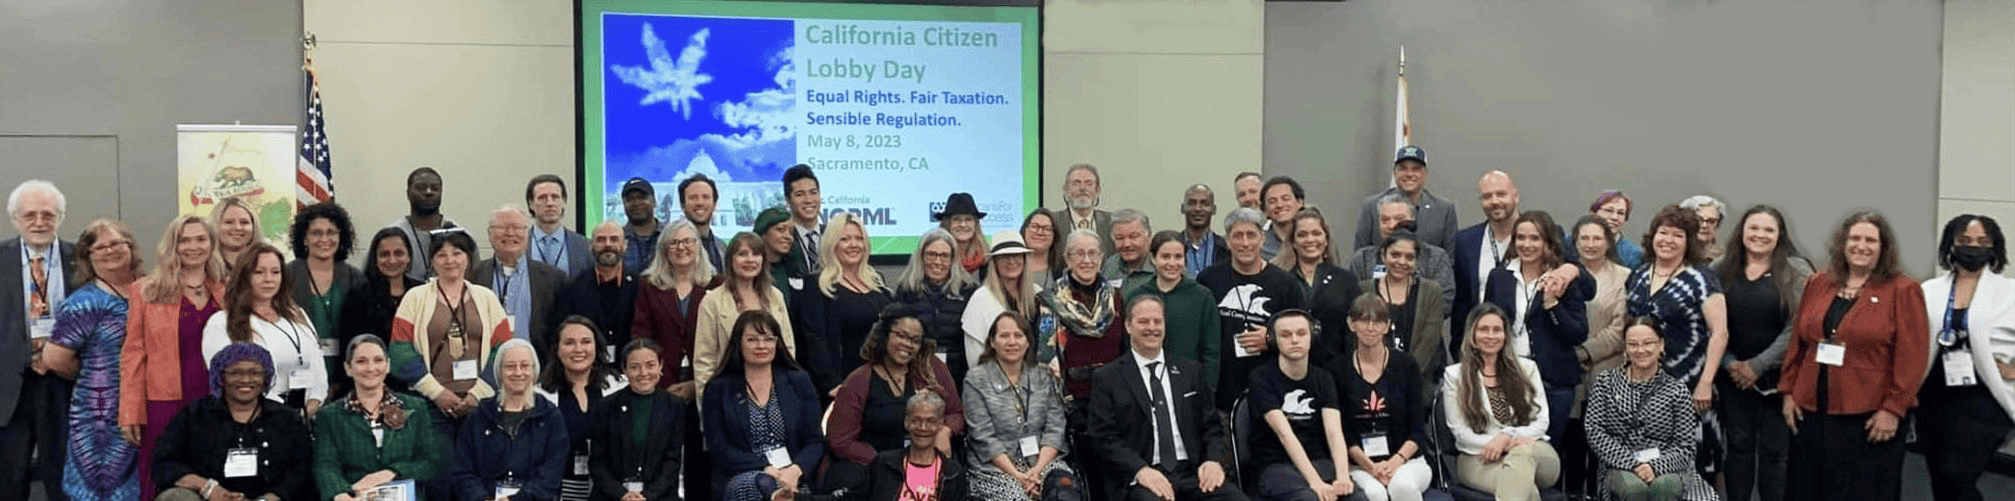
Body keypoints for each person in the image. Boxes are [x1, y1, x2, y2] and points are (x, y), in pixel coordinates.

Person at [1778, 211, 1928, 501]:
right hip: (1810, 410)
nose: (1861, 246)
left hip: (1869, 416)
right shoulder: (1819, 282)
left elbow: (1913, 357)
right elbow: (1799, 341)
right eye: (1854, 238)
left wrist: (1893, 409)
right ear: (1842, 243)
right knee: (1806, 487)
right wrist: (1788, 392)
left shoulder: (1903, 289)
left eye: (1870, 240)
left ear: (1883, 247)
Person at [388, 228, 513, 498]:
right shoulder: (415, 298)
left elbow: (504, 350)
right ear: (432, 261)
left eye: (457, 253)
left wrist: (477, 394)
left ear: (468, 258)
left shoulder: (487, 298)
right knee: (440, 480)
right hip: (433, 408)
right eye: (441, 255)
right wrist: (438, 393)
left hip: (480, 406)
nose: (450, 260)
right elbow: (399, 352)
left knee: (478, 480)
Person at [1086, 294, 1248, 501]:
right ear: (1128, 326)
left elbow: (1211, 427)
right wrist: (1140, 470)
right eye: (1143, 321)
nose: (1152, 328)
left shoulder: (1190, 371)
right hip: (1141, 477)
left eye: (1157, 321)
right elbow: (1103, 438)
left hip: (1193, 474)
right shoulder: (1108, 377)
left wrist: (1213, 461)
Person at [119, 214, 227, 500]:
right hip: (164, 403)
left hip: (216, 401)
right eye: (184, 240)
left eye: (201, 239)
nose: (193, 246)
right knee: (163, 479)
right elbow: (133, 354)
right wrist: (130, 410)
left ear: (212, 244)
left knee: (215, 475)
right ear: (173, 245)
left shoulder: (227, 290)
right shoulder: (145, 291)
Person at [1709, 205, 1809, 501]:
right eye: (1753, 228)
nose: (1760, 235)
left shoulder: (1796, 270)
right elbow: (1711, 322)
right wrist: (1730, 364)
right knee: (1737, 448)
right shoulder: (1721, 268)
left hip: (1780, 380)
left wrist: (1758, 365)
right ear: (1742, 231)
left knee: (1775, 453)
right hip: (1733, 378)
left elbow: (1799, 325)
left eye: (1768, 229)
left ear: (1780, 235)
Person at [1917, 214, 2015, 501]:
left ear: (1994, 247)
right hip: (1934, 396)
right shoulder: (1929, 290)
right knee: (1940, 479)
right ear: (1951, 245)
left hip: (1984, 399)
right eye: (1964, 241)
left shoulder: (2010, 292)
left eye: (1982, 242)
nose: (1973, 247)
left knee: (1956, 474)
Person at [44, 219, 142, 501]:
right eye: (100, 247)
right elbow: (54, 358)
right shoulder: (85, 302)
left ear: (130, 247)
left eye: (116, 243)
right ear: (88, 257)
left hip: (144, 406)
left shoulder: (148, 290)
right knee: (103, 488)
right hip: (100, 418)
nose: (109, 251)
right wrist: (96, 373)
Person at [825, 304, 967, 495]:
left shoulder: (932, 369)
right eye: (901, 335)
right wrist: (885, 463)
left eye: (915, 340)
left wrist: (944, 431)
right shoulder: (859, 380)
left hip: (925, 462)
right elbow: (840, 441)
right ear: (884, 335)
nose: (908, 344)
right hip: (872, 466)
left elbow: (956, 413)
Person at [152, 343, 313, 501]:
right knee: (175, 497)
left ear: (266, 377)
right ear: (221, 376)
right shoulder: (194, 415)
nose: (245, 379)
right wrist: (207, 488)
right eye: (235, 372)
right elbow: (164, 463)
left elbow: (302, 469)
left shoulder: (287, 418)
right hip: (208, 498)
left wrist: (269, 498)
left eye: (255, 372)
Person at [1481, 211, 1592, 441]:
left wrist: (1552, 305)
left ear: (1548, 242)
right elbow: (1487, 325)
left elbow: (1578, 333)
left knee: (1547, 456)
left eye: (1535, 238)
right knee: (1510, 448)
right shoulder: (1499, 277)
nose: (1526, 244)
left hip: (1553, 382)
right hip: (1508, 379)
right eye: (1521, 238)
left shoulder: (1562, 279)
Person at [1449, 171, 1581, 357]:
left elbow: (1587, 286)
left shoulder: (1550, 233)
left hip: (1542, 355)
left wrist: (1570, 269)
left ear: (1516, 196)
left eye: (1501, 194)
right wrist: (1459, 351)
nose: (1494, 201)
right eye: (1487, 196)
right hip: (1484, 352)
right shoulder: (1465, 241)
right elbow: (1461, 303)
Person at [1, 180, 76, 499]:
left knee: (63, 477)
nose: (40, 222)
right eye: (30, 215)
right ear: (15, 218)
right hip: (9, 386)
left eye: (48, 214)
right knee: (9, 480)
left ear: (60, 217)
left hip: (66, 381)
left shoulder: (83, 259)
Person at [1586, 318, 1715, 501]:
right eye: (1633, 344)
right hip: (1618, 464)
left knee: (1664, 488)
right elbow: (1594, 431)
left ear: (1661, 345)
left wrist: (1655, 467)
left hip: (1667, 465)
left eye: (1648, 343)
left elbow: (1685, 446)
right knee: (1634, 490)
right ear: (1626, 348)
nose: (1640, 350)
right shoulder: (1605, 383)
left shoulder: (1676, 390)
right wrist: (1632, 464)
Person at [1441, 304, 1558, 501]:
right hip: (1477, 457)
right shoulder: (1455, 375)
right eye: (1483, 329)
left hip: (1533, 452)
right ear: (1472, 334)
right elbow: (1460, 432)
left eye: (1497, 330)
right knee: (1525, 490)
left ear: (1505, 335)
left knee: (1520, 456)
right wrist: (1497, 444)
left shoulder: (1527, 368)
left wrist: (1506, 438)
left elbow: (1541, 422)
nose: (1491, 336)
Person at [706, 311, 824, 500]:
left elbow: (815, 441)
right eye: (752, 340)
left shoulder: (798, 381)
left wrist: (795, 470)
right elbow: (720, 447)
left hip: (793, 476)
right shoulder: (719, 389)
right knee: (756, 485)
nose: (761, 346)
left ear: (777, 343)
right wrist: (765, 468)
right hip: (742, 474)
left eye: (768, 339)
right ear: (739, 343)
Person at [962, 312, 1080, 500]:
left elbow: (1055, 428)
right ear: (992, 342)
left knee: (1065, 492)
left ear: (1028, 342)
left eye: (1018, 335)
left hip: (1043, 462)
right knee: (1017, 497)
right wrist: (1019, 477)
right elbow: (983, 437)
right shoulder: (976, 380)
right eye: (1004, 336)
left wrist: (1037, 471)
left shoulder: (1043, 376)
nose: (1012, 342)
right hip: (996, 468)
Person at [201, 243, 329, 414]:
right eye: (259, 272)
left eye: (275, 272)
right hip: (256, 417)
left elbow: (318, 366)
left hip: (305, 415)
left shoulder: (297, 314)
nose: (269, 279)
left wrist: (312, 404)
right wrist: (281, 413)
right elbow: (229, 380)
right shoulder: (221, 323)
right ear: (245, 276)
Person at [1247, 310, 1361, 501]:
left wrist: (1342, 476)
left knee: (1357, 498)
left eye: (1301, 333)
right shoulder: (1261, 377)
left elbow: (1334, 432)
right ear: (1273, 340)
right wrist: (1314, 482)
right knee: (1310, 499)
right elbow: (1285, 435)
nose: (1294, 340)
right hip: (1275, 465)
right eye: (1285, 335)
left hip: (1319, 461)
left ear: (1312, 337)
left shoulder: (1323, 378)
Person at [1199, 207, 1306, 411]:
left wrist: (1272, 339)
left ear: (1262, 239)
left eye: (1251, 235)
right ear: (1228, 242)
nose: (1245, 243)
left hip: (1273, 392)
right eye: (1238, 236)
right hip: (1222, 392)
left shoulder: (1285, 284)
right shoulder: (1208, 280)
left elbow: (1304, 334)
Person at [314, 335, 442, 501]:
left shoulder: (415, 408)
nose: (370, 368)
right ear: (348, 368)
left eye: (378, 360)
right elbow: (326, 466)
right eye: (361, 361)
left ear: (388, 366)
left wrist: (390, 473)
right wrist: (340, 494)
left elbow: (430, 462)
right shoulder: (330, 416)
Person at [1330, 295, 1432, 501]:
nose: (1370, 327)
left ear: (1387, 327)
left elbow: (1417, 429)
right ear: (1351, 324)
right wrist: (1372, 467)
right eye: (1363, 320)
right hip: (1358, 464)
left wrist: (1394, 463)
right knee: (1374, 494)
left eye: (1377, 321)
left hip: (1407, 460)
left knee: (1402, 487)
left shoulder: (1406, 365)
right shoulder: (1337, 369)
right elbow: (1343, 432)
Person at [446, 338, 568, 501]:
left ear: (534, 371)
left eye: (525, 366)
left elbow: (551, 474)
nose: (518, 372)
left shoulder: (551, 417)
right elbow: (462, 471)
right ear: (499, 372)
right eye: (510, 366)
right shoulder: (477, 418)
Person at [792, 212, 892, 394]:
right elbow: (815, 341)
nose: (854, 244)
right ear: (832, 244)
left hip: (881, 385)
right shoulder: (817, 286)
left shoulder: (878, 283)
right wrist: (831, 384)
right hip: (841, 387)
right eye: (845, 239)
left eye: (859, 238)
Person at [693, 232, 795, 404]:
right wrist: (707, 406)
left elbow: (788, 347)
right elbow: (704, 361)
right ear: (730, 260)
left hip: (774, 391)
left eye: (756, 254)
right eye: (742, 254)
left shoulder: (775, 296)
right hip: (728, 394)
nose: (750, 260)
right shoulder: (712, 301)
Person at [535, 317, 627, 501]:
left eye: (586, 342)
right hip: (558, 491)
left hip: (609, 492)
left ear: (596, 346)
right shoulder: (539, 395)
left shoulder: (620, 386)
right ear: (557, 349)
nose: (578, 349)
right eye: (569, 342)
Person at [587, 339, 685, 501]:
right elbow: (597, 462)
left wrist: (646, 496)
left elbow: (672, 461)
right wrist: (622, 495)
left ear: (660, 366)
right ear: (624, 370)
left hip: (659, 496)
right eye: (635, 367)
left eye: (650, 365)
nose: (643, 372)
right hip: (612, 496)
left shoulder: (675, 406)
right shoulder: (605, 407)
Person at [470, 206, 568, 364]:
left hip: (539, 371)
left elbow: (562, 331)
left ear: (527, 234)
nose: (510, 233)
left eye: (517, 228)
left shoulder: (554, 279)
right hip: (486, 369)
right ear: (489, 235)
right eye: (502, 228)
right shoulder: (473, 276)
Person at [629, 218, 716, 394]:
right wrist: (659, 380)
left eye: (687, 241)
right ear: (664, 251)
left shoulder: (716, 285)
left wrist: (698, 384)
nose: (681, 247)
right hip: (660, 383)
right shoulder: (648, 286)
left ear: (698, 246)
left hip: (707, 383)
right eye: (674, 242)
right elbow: (641, 335)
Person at [1126, 231, 1223, 388]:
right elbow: (1127, 344)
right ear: (1153, 258)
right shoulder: (1137, 295)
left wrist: (1207, 391)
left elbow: (1211, 351)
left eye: (1178, 257)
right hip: (1144, 383)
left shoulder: (1201, 296)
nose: (1172, 263)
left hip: (1188, 385)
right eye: (1165, 256)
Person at [1039, 230, 1127, 400]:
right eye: (1079, 254)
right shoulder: (1049, 301)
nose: (1087, 260)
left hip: (1113, 398)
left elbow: (1125, 351)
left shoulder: (1116, 299)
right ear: (1067, 258)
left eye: (1092, 253)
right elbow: (1045, 358)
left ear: (1101, 258)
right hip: (1069, 401)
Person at [1274, 207, 1363, 370]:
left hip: (1337, 371)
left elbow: (1355, 331)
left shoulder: (1346, 280)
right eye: (1302, 234)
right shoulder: (1280, 280)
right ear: (1293, 242)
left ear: (1326, 239)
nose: (1310, 239)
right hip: (1289, 370)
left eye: (1316, 233)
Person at [289, 202, 363, 395]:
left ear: (341, 237)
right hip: (299, 377)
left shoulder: (355, 277)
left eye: (331, 232)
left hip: (346, 380)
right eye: (316, 233)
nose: (324, 239)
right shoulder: (287, 276)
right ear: (304, 239)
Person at [1359, 231, 1447, 388]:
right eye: (1395, 255)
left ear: (1416, 261)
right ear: (1383, 255)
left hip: (1418, 384)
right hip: (1372, 382)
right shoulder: (1364, 289)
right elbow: (1360, 335)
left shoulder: (1431, 291)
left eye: (1409, 257)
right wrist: (1379, 375)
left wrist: (1405, 377)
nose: (1402, 262)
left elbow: (1429, 340)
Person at [894, 229, 978, 382]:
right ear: (921, 257)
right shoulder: (906, 289)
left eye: (944, 256)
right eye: (932, 255)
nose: (938, 262)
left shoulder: (968, 290)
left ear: (953, 259)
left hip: (958, 374)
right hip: (914, 372)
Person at [1347, 194, 1456, 309]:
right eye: (1385, 220)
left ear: (1413, 221)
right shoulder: (1362, 259)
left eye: (1399, 219)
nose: (1391, 225)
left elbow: (1444, 302)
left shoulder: (1436, 258)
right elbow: (1354, 301)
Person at [867, 393, 970, 501]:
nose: (922, 427)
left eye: (930, 421)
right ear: (906, 422)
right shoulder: (883, 464)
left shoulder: (953, 473)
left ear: (940, 424)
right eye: (916, 420)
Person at [960, 231, 1038, 371]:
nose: (1012, 261)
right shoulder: (981, 300)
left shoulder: (1038, 295)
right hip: (994, 385)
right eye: (1004, 257)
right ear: (994, 262)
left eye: (1017, 255)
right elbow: (975, 358)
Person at [1355, 145, 1458, 250]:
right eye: (1403, 168)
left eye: (1416, 169)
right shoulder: (1371, 206)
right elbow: (1360, 255)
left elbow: (1450, 257)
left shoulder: (1444, 210)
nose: (1409, 174)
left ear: (1425, 174)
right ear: (1394, 173)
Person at [564, 221, 641, 359]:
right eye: (601, 240)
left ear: (625, 246)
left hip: (630, 367)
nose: (608, 245)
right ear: (591, 246)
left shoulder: (640, 286)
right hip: (588, 368)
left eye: (614, 239)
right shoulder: (573, 288)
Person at [339, 228, 425, 349]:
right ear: (375, 259)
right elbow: (350, 345)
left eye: (398, 253)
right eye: (384, 254)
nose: (392, 260)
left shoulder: (422, 292)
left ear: (409, 257)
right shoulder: (358, 296)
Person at [1570, 216, 1630, 387]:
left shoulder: (1623, 277)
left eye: (1597, 239)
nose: (1590, 244)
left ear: (1609, 243)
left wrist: (1584, 353)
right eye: (1584, 238)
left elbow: (1620, 329)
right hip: (1565, 373)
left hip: (1607, 374)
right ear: (1575, 241)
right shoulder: (1560, 273)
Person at [385, 167, 459, 281]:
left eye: (435, 188)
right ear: (408, 193)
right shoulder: (390, 237)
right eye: (421, 188)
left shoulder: (459, 235)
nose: (429, 192)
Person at [527, 174, 594, 277]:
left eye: (555, 197)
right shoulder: (519, 245)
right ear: (531, 204)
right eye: (542, 198)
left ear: (564, 201)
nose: (550, 203)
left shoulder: (585, 246)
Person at [1055, 164, 1115, 255]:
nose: (1083, 188)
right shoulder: (1053, 222)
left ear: (1098, 190)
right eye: (1076, 183)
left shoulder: (1112, 222)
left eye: (1089, 184)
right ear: (1065, 189)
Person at [678, 174, 729, 273]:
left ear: (714, 204)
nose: (700, 203)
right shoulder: (669, 247)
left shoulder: (722, 248)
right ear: (682, 205)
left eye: (705, 197)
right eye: (693, 198)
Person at [1179, 184, 1231, 278]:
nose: (1198, 209)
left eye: (1205, 204)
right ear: (1182, 208)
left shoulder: (1225, 248)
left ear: (1214, 209)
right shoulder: (1172, 245)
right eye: (1192, 203)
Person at [783, 164, 824, 278]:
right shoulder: (784, 239)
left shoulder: (833, 235)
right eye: (799, 194)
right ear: (787, 200)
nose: (809, 200)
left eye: (813, 193)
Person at [1101, 209, 1156, 291]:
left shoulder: (1162, 267)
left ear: (1149, 236)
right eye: (1120, 238)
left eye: (1133, 236)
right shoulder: (1111, 266)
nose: (1126, 244)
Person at [938, 193, 992, 275]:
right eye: (956, 219)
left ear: (975, 224)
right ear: (947, 224)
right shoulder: (936, 260)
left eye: (968, 219)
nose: (963, 225)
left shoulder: (989, 261)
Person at [753, 206, 801, 295]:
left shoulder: (793, 269)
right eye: (781, 229)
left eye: (791, 232)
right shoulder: (751, 272)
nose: (788, 237)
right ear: (763, 233)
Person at [210, 196, 264, 275]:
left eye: (244, 222)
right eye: (229, 222)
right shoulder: (204, 268)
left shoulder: (268, 266)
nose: (237, 227)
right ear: (216, 225)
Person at [618, 177, 661, 276]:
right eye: (630, 199)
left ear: (654, 201)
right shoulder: (616, 240)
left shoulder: (670, 237)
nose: (636, 203)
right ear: (624, 205)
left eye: (642, 197)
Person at [1589, 191, 1643, 269]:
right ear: (1595, 213)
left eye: (1620, 213)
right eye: (1609, 211)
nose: (1614, 217)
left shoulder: (1633, 254)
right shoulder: (1573, 244)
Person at [1259, 176, 1307, 262]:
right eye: (1272, 201)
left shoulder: (1314, 238)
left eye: (1285, 199)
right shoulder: (1259, 245)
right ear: (1265, 210)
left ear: (1300, 202)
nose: (1279, 205)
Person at [1677, 196, 1725, 265]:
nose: (1704, 225)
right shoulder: (1671, 254)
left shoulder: (1725, 261)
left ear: (1718, 225)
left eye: (1711, 221)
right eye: (1698, 220)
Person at [1022, 209, 1062, 289]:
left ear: (1054, 235)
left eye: (1046, 228)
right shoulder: (1012, 265)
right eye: (1034, 226)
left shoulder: (1063, 271)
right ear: (1024, 231)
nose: (1040, 232)